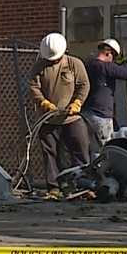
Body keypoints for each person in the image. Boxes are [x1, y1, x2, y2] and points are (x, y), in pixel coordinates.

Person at [28, 32, 90, 199]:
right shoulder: (39, 67)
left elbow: (83, 85)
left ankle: (82, 185)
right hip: (48, 120)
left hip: (72, 119)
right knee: (50, 154)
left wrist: (77, 103)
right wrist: (44, 103)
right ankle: (54, 188)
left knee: (80, 152)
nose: (52, 60)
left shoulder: (74, 64)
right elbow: (34, 87)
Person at [83, 38, 127, 146]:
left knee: (90, 148)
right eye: (113, 57)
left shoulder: (88, 65)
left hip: (86, 114)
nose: (113, 60)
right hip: (101, 115)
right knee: (103, 151)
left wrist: (121, 64)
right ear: (108, 53)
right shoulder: (106, 67)